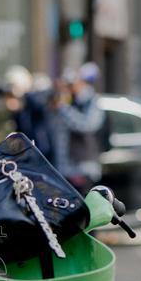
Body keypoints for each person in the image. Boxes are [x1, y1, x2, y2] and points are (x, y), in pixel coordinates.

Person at [51, 61, 105, 192]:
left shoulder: (90, 101)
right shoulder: (67, 101)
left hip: (83, 168)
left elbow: (88, 125)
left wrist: (64, 108)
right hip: (64, 170)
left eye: (71, 84)